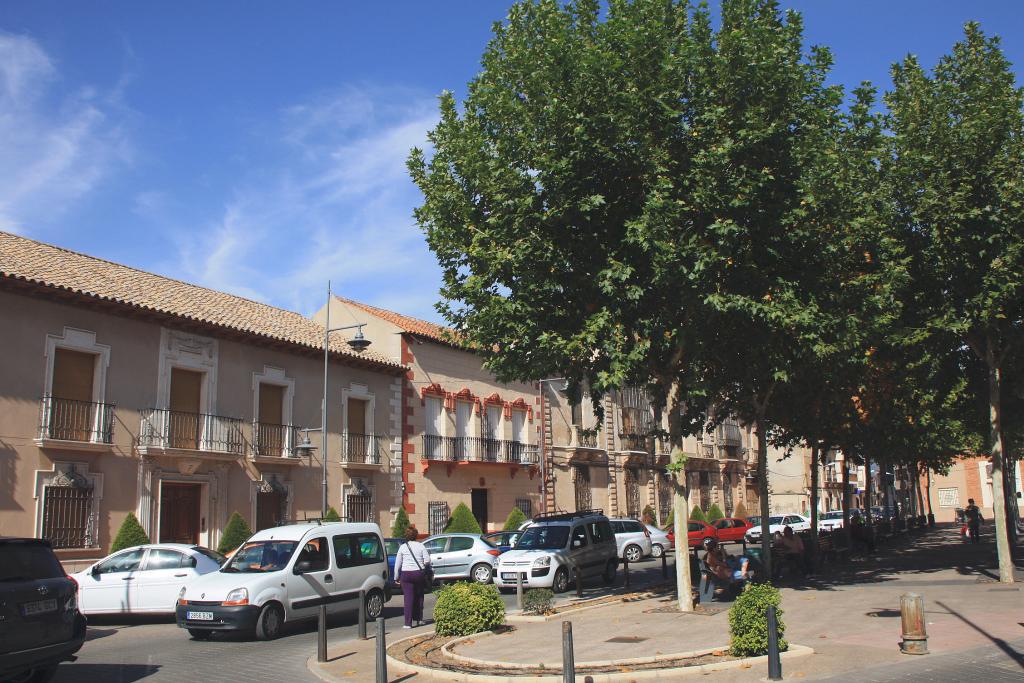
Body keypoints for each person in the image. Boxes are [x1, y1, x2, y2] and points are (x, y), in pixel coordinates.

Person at [394, 527, 431, 628]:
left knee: (408, 598)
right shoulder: (421, 546)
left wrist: (396, 577)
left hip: (406, 574)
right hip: (418, 573)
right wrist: (422, 564)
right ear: (416, 535)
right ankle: (419, 619)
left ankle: (408, 623)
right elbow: (427, 560)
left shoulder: (402, 547)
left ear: (406, 536)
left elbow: (398, 564)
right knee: (419, 596)